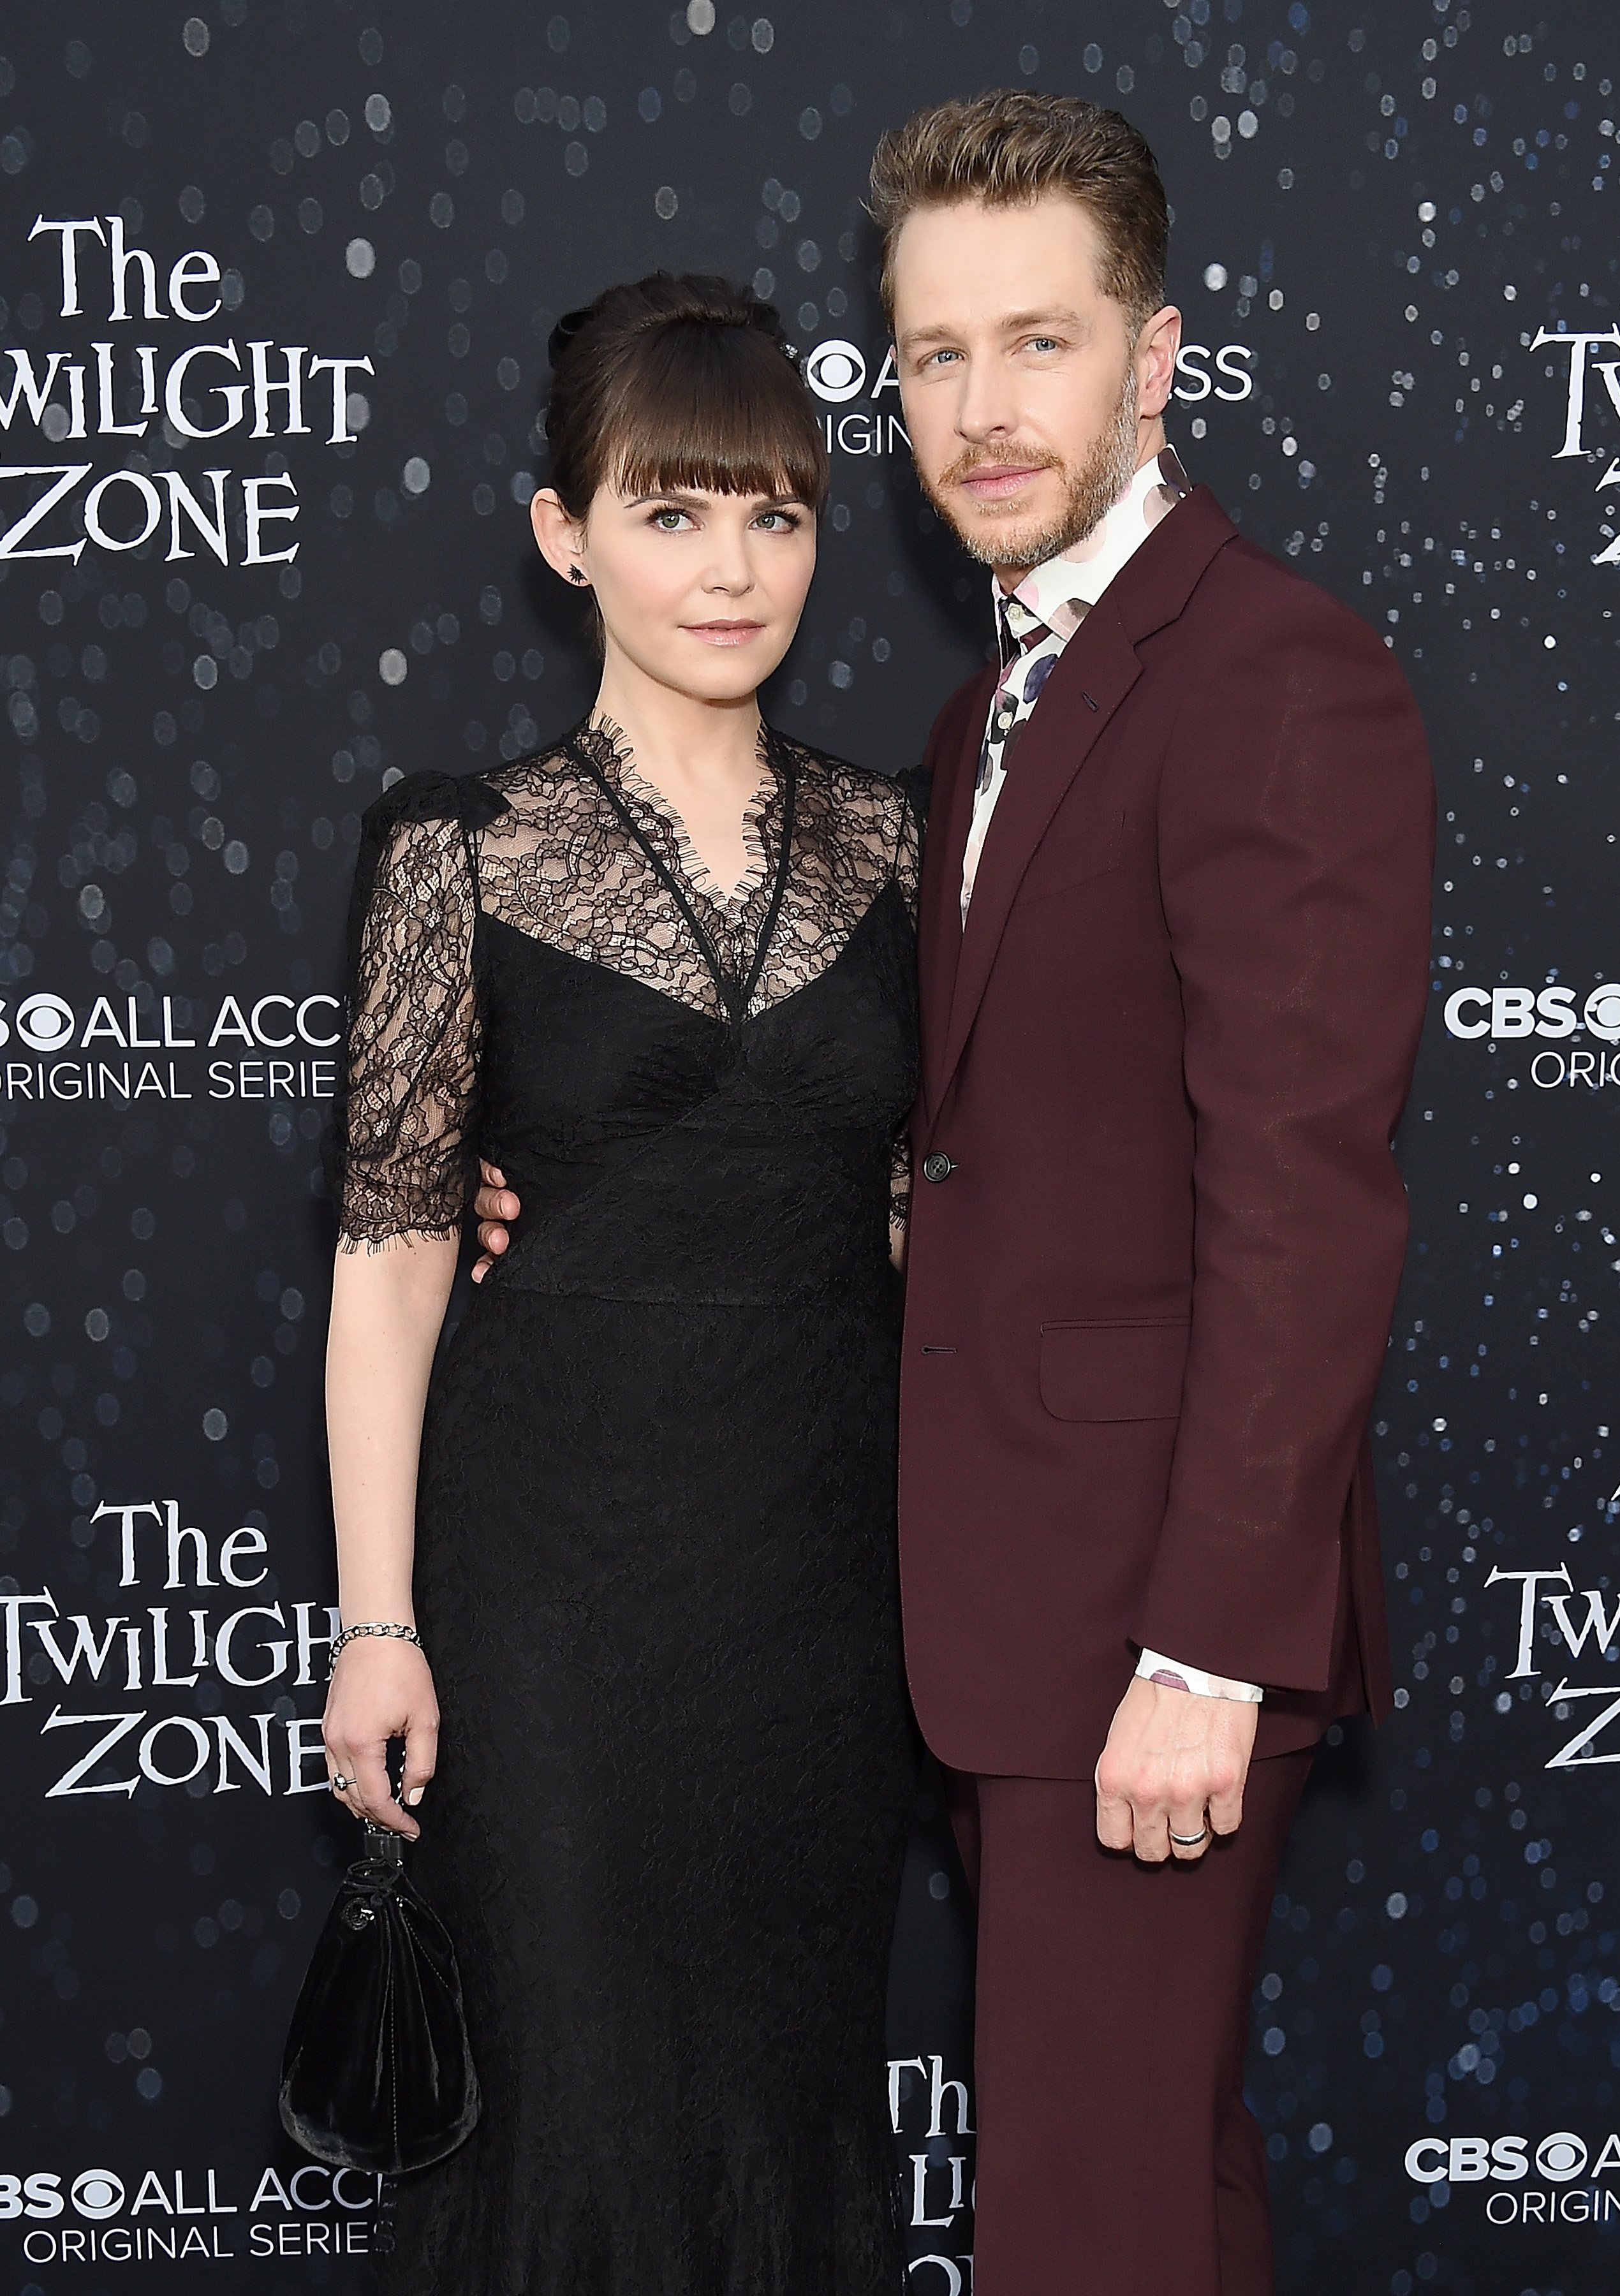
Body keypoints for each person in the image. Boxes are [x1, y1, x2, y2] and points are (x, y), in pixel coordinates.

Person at [477, 92, 1434, 2296]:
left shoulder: (1272, 677)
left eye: (1038, 345)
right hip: (1003, 1616)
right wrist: (579, 1201)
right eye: (930, 358)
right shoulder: (985, 705)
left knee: (1078, 2232)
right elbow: (980, 1137)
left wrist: (1203, 1645)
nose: (982, 415)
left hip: (1145, 1629)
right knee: (1141, 2195)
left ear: (1156, 357)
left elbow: (1303, 1192)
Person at [318, 272, 919, 2296]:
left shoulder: (910, 845)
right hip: (549, 1588)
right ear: (561, 531)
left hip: (824, 1591)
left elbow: (950, 1213)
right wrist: (379, 1623)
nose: (732, 566)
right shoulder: (456, 850)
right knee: (573, 2099)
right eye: (671, 511)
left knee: (788, 2094)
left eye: (773, 510)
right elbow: (395, 1260)